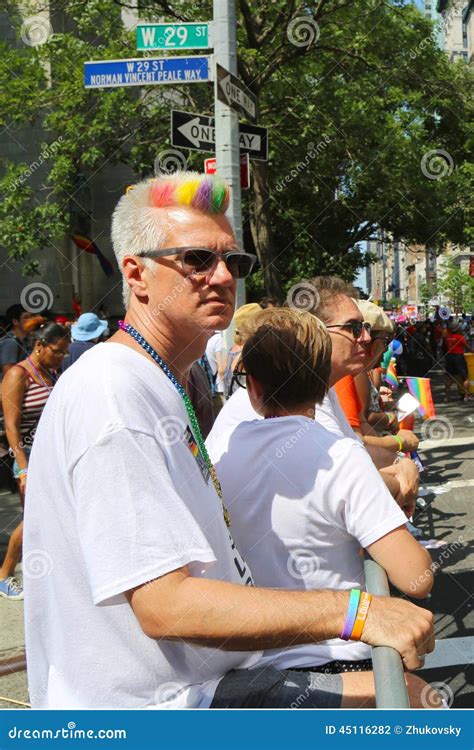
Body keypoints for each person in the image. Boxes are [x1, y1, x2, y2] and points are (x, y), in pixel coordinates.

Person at [24, 173, 435, 710]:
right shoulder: (114, 395)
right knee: (415, 703)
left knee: (411, 696)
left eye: (233, 262)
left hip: (210, 680)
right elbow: (166, 606)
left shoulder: (163, 381)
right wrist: (361, 611)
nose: (222, 276)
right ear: (137, 274)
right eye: (196, 259)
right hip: (157, 710)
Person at [211, 308, 434, 681]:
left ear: (253, 386)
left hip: (252, 663)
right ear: (323, 384)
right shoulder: (340, 455)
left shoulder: (221, 451)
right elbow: (417, 577)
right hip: (340, 655)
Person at [207, 277, 420, 508]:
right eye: (354, 327)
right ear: (316, 330)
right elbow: (344, 481)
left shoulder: (322, 390)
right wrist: (402, 479)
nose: (366, 338)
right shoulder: (291, 395)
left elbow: (355, 451)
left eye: (367, 328)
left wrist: (400, 463)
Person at [0, 319, 69, 599]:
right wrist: (24, 469)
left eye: (65, 353)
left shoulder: (48, 373)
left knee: (55, 515)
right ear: (40, 346)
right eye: (58, 351)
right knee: (32, 519)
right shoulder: (19, 375)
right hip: (27, 457)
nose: (61, 357)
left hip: (50, 455)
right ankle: (4, 574)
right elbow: (11, 426)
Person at [222, 303, 261, 399]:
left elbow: (222, 372)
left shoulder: (232, 349)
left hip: (230, 406)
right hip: (246, 410)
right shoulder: (251, 352)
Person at [443, 320, 472, 401]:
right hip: (459, 357)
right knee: (464, 377)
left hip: (449, 357)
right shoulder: (460, 337)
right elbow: (466, 347)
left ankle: (446, 397)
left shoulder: (447, 337)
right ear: (457, 329)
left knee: (449, 378)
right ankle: (466, 396)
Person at [0, 304, 32, 378]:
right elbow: (8, 373)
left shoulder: (25, 342)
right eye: (26, 318)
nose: (30, 320)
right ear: (15, 321)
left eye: (31, 317)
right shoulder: (10, 342)